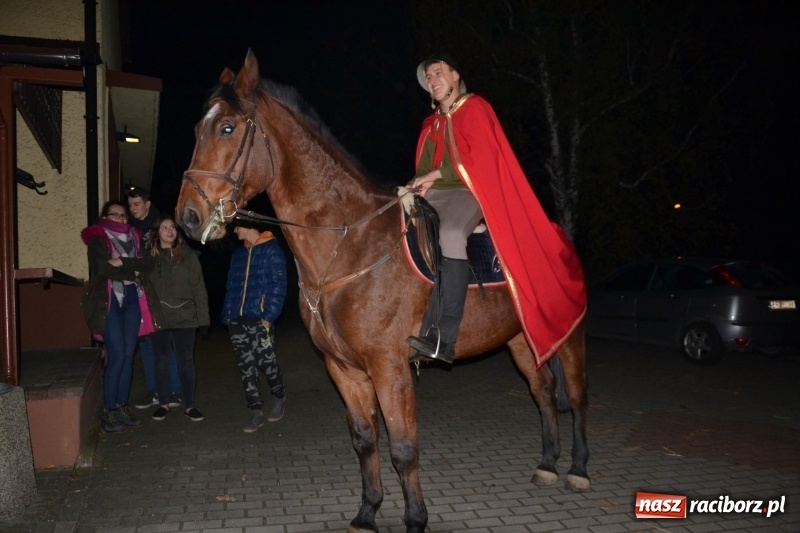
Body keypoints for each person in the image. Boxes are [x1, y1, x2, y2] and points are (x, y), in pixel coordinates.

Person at [403, 53, 586, 367]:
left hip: (469, 190)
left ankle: (444, 337)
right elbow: (423, 168)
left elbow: (484, 160)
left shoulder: (475, 108)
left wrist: (438, 175)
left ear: (455, 75)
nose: (432, 81)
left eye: (437, 73)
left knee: (450, 233)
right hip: (434, 194)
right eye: (428, 78)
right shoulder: (431, 124)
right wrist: (415, 183)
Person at [81, 200, 162, 432]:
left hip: (132, 298)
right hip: (110, 301)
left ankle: (123, 406)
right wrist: (131, 270)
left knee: (128, 356)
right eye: (115, 215)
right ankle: (109, 411)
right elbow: (102, 268)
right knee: (116, 356)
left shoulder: (136, 237)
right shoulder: (97, 239)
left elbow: (148, 264)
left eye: (124, 215)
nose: (121, 219)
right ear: (105, 216)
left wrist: (122, 262)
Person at [221, 217, 288, 433]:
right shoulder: (239, 254)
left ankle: (279, 395)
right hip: (237, 321)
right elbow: (231, 286)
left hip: (260, 320)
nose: (235, 231)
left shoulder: (272, 250)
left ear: (248, 225)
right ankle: (255, 410)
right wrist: (227, 316)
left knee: (267, 363)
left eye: (236, 227)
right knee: (246, 367)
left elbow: (278, 286)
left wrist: (268, 317)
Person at [145, 215, 210, 422]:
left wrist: (204, 320)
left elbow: (199, 289)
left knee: (186, 362)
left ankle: (189, 405)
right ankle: (163, 403)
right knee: (161, 361)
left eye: (172, 227)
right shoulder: (149, 257)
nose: (169, 230)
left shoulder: (189, 256)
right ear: (157, 233)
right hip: (160, 318)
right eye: (164, 227)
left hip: (185, 318)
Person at [126, 186, 181, 410]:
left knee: (166, 344)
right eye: (130, 205)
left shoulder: (162, 225)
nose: (132, 209)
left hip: (161, 295)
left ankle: (175, 390)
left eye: (136, 204)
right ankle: (154, 390)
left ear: (147, 204)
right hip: (139, 293)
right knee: (146, 344)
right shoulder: (129, 228)